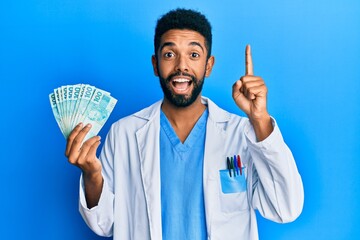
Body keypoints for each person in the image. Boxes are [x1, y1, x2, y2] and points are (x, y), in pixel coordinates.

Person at [65, 8, 304, 240]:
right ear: (155, 64)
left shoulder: (240, 133)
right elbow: (103, 224)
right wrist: (92, 175)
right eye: (169, 54)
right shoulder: (124, 133)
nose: (181, 66)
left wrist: (260, 119)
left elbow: (286, 208)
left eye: (194, 55)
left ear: (208, 66)